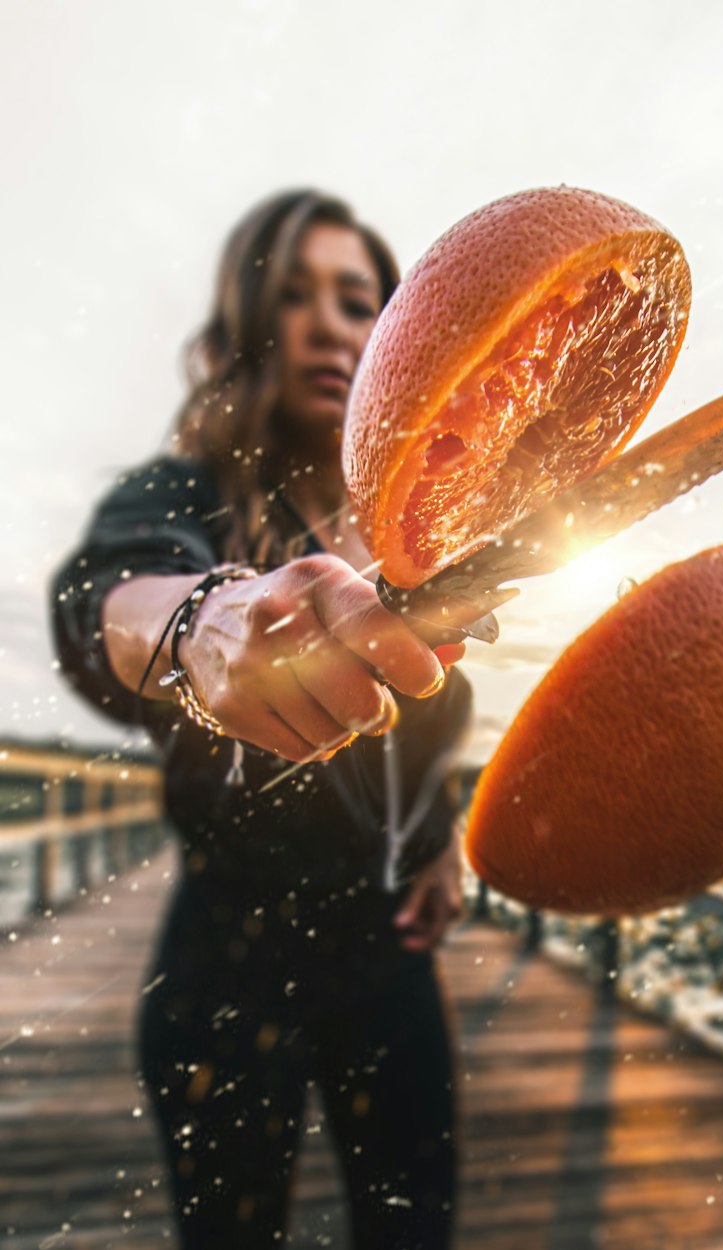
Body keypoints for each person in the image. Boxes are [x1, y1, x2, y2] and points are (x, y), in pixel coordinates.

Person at [49, 190, 473, 1250]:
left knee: (416, 1229)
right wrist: (202, 620)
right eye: (296, 295)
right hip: (231, 965)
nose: (333, 323)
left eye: (360, 299)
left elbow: (424, 721)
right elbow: (106, 593)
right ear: (247, 327)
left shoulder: (415, 536)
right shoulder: (181, 492)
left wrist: (437, 835)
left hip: (390, 960)